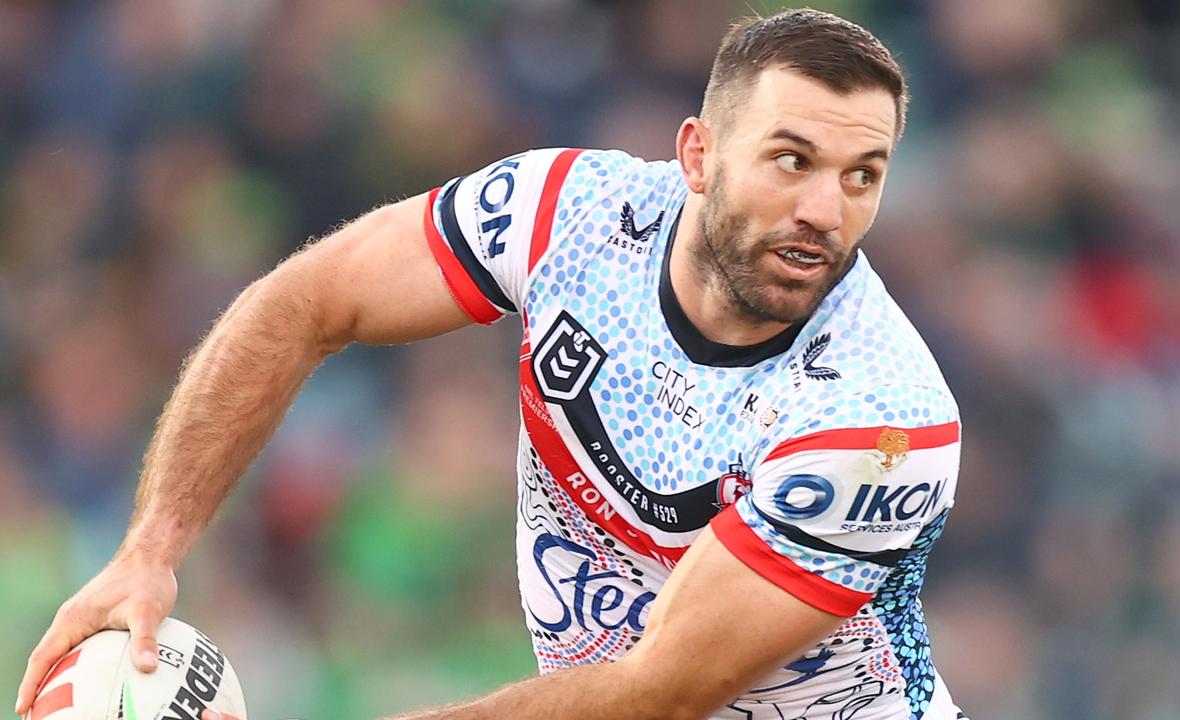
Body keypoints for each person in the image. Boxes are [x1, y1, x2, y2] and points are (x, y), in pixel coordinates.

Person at [16, 9, 967, 720]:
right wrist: (148, 553)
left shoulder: (882, 422)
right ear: (698, 155)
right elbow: (306, 301)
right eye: (790, 160)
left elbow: (662, 690)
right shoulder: (569, 214)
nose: (825, 211)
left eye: (862, 175)